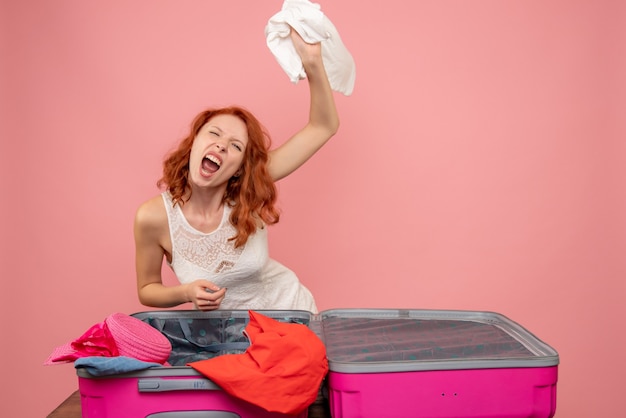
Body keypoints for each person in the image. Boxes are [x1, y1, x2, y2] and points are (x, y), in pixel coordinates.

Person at [133, 30, 339, 314]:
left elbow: (322, 127)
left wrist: (313, 62)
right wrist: (186, 292)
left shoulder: (248, 186)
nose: (221, 145)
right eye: (213, 133)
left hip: (290, 318)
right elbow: (147, 289)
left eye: (235, 146)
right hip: (226, 337)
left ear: (241, 167)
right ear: (194, 143)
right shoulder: (152, 217)